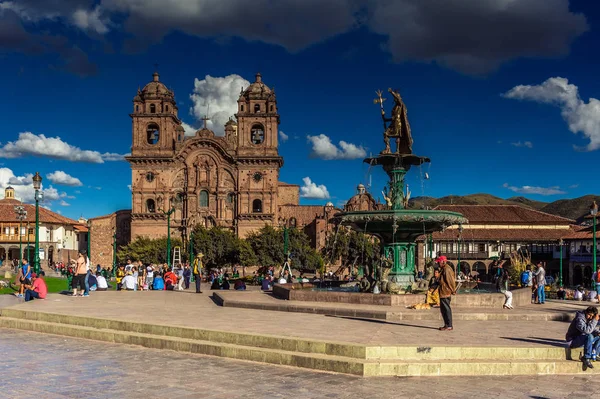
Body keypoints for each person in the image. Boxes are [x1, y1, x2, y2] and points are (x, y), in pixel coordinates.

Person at [436, 256, 456, 331]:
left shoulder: (447, 269)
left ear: (443, 262)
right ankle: (446, 325)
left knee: (446, 309)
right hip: (443, 291)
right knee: (443, 309)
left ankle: (449, 325)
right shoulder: (444, 269)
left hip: (445, 291)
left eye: (439, 262)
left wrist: (452, 290)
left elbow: (450, 280)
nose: (438, 263)